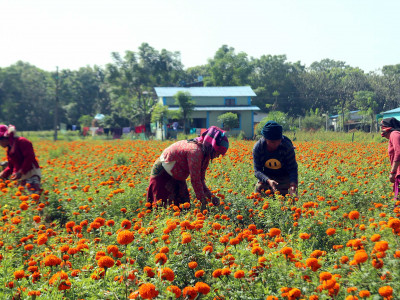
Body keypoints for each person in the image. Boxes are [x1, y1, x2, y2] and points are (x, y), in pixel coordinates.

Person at [147, 126, 229, 209]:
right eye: (218, 153)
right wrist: (203, 203)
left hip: (177, 175)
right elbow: (195, 180)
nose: (218, 156)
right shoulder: (195, 152)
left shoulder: (205, 154)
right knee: (161, 207)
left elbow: (200, 180)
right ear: (212, 147)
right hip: (163, 173)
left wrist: (211, 197)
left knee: (183, 206)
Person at [253, 121, 298, 196]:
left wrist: (293, 186)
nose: (276, 144)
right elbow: (257, 170)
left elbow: (292, 168)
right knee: (257, 193)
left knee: (291, 198)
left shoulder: (287, 146)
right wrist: (268, 180)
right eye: (272, 142)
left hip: (285, 175)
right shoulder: (258, 148)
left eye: (279, 141)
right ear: (265, 139)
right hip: (267, 176)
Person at [0, 125, 42, 194]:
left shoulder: (22, 142)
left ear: (4, 138)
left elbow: (29, 158)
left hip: (30, 173)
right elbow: (11, 166)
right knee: (23, 198)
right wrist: (2, 174)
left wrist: (20, 172)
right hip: (20, 175)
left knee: (33, 198)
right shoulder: (10, 148)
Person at [381, 117, 400, 200]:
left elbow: (398, 153)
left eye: (382, 128)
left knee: (398, 201)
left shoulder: (394, 134)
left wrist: (392, 172)